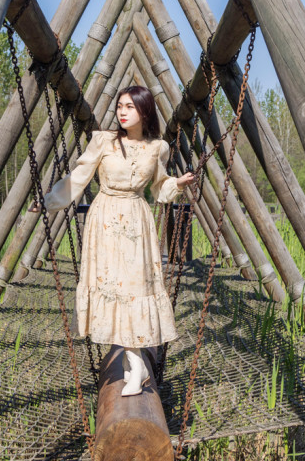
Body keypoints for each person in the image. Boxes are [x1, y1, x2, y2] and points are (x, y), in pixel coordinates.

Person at [39, 86, 197, 396]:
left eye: (129, 107)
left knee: (134, 288)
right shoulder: (103, 141)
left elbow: (159, 189)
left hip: (136, 221)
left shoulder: (157, 149)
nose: (122, 112)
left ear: (144, 112)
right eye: (120, 106)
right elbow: (79, 177)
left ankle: (135, 364)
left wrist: (176, 183)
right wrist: (48, 201)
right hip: (105, 219)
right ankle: (133, 363)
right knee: (112, 287)